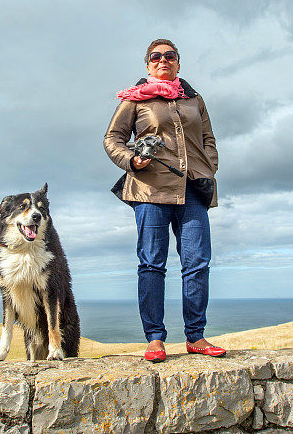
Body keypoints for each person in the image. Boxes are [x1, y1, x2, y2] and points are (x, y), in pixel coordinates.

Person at [103, 38, 225, 362]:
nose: (163, 61)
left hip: (192, 190)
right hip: (150, 190)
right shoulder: (134, 100)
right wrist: (131, 160)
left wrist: (207, 165)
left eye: (169, 56)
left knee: (197, 263)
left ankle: (196, 336)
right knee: (152, 265)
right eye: (155, 57)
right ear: (147, 65)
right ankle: (155, 339)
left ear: (178, 63)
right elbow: (112, 139)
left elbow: (208, 139)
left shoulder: (194, 100)